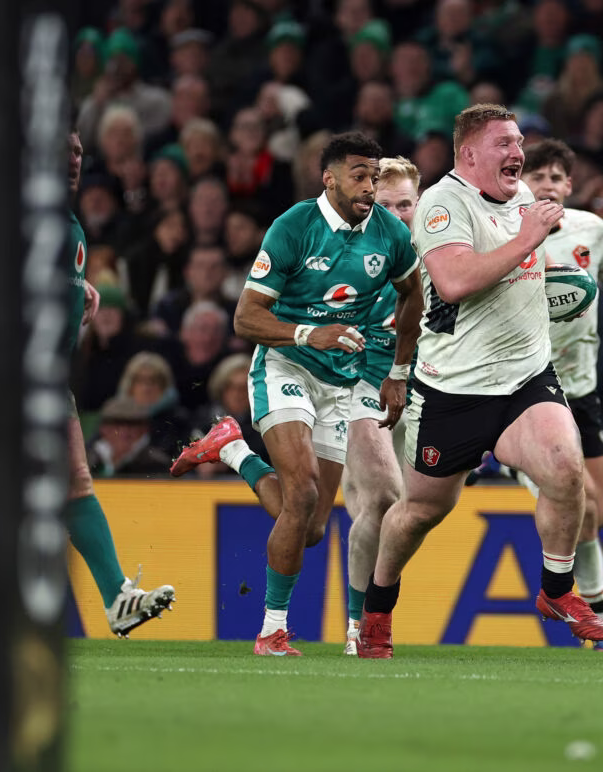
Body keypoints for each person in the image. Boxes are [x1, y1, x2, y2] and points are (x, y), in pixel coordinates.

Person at [356, 104, 603, 658]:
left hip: (525, 378)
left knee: (567, 471)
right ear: (469, 153)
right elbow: (452, 282)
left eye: (518, 141)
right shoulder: (440, 205)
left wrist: (555, 283)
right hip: (453, 389)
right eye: (505, 143)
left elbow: (521, 273)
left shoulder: (523, 198)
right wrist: (528, 240)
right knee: (420, 513)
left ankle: (557, 589)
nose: (518, 152)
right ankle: (377, 608)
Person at [169, 132, 424, 657]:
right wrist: (310, 334)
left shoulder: (390, 235)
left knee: (309, 527)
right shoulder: (294, 226)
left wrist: (398, 371)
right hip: (285, 364)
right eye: (359, 175)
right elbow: (246, 318)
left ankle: (233, 449)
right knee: (303, 492)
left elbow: (412, 295)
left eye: (374, 176)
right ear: (329, 179)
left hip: (341, 382)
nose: (369, 187)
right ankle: (272, 632)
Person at [517, 138, 603, 651]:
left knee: (595, 516)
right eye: (536, 175)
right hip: (524, 390)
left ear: (570, 186)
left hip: (580, 390)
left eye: (555, 176)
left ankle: (597, 621)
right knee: (582, 503)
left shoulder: (590, 230)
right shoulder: (502, 232)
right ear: (518, 183)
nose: (547, 184)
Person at [65, 130, 175, 637]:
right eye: (62, 150)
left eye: (78, 151)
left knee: (75, 483)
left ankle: (117, 599)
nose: (73, 159)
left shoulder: (67, 225)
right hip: (3, 379)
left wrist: (78, 286)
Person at [341, 156, 421, 655]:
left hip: (421, 395)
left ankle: (236, 452)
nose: (395, 214)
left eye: (405, 204)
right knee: (382, 500)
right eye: (385, 205)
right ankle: (360, 627)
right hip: (359, 387)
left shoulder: (442, 252)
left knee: (404, 516)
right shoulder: (349, 251)